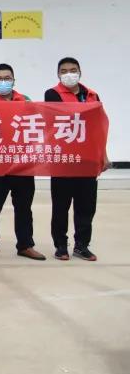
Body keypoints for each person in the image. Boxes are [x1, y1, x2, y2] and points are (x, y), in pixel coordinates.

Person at [45, 57, 109, 262]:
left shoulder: (92, 95)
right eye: (64, 71)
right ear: (58, 74)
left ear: (80, 72)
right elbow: (60, 119)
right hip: (63, 160)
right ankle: (60, 245)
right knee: (60, 207)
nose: (69, 74)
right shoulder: (52, 94)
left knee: (86, 207)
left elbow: (98, 128)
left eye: (73, 70)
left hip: (87, 160)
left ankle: (82, 245)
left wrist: (103, 155)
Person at [0, 64, 45, 262]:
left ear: (14, 80)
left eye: (7, 78)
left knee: (24, 207)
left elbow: (37, 128)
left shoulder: (26, 101)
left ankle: (25, 245)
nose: (3, 82)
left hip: (22, 165)